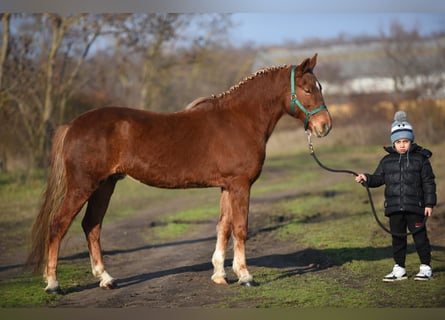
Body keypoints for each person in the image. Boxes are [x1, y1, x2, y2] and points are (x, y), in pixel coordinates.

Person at [355, 110, 436, 281]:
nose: (402, 145)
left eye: (405, 141)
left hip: (416, 207)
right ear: (393, 143)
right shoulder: (386, 161)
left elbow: (429, 182)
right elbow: (378, 179)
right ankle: (400, 269)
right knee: (398, 240)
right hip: (394, 208)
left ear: (410, 141)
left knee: (420, 238)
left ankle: (426, 267)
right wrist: (366, 178)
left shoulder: (420, 159)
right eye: (398, 142)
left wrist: (429, 204)